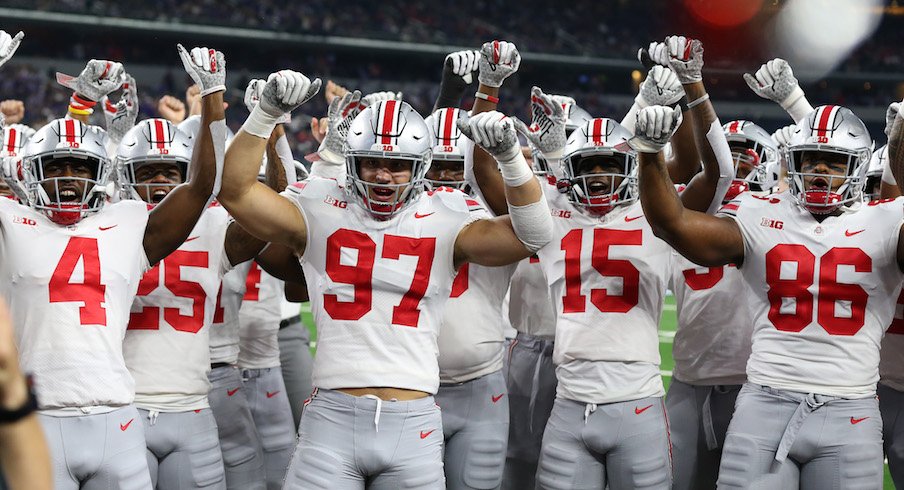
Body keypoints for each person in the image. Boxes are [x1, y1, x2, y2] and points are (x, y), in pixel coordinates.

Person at [217, 44, 552, 486]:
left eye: (397, 164)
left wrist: (511, 160)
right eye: (371, 162)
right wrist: (264, 115)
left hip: (413, 420)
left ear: (421, 166)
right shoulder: (320, 205)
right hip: (331, 418)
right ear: (350, 162)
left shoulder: (446, 214)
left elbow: (534, 234)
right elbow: (236, 192)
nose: (382, 175)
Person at [638, 96, 896, 487]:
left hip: (851, 407)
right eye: (809, 159)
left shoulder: (886, 220)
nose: (819, 170)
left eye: (833, 162)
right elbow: (672, 226)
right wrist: (651, 154)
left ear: (859, 167)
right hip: (765, 402)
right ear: (791, 163)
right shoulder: (760, 211)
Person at [0, 43, 223, 488]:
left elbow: (199, 187)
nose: (66, 177)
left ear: (103, 174)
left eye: (79, 167)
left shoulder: (128, 219)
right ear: (28, 173)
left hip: (117, 420)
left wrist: (214, 93)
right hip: (37, 416)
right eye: (55, 166)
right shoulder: (9, 220)